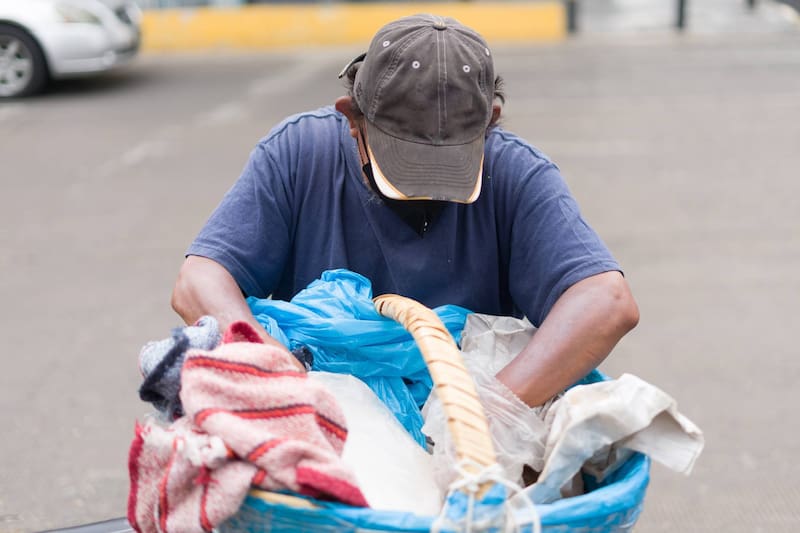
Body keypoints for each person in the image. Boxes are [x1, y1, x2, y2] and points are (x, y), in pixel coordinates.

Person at [171, 14, 639, 408]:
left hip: (461, 414)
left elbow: (606, 301)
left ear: (489, 124)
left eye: (448, 166)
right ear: (352, 122)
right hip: (324, 409)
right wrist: (277, 369)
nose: (425, 191)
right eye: (407, 167)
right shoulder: (297, 154)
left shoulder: (516, 173)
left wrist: (487, 414)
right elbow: (200, 281)